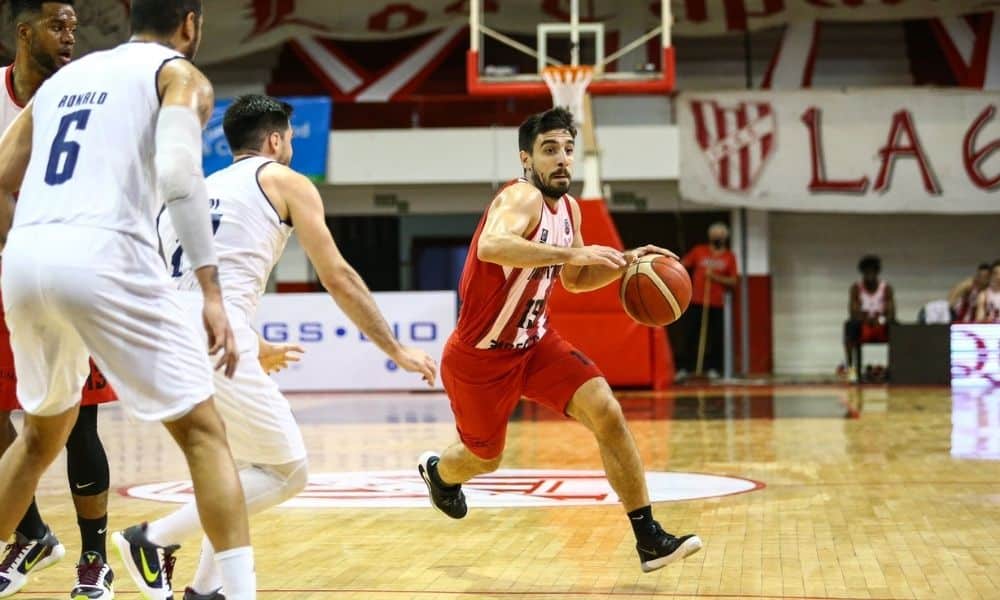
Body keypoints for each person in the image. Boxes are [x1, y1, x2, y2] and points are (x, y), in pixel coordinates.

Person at [0, 1, 258, 598]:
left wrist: (29, 242)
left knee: (40, 437)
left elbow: (4, 171)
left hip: (24, 258)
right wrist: (211, 287)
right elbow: (176, 172)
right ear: (190, 24)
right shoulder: (179, 75)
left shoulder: (70, 77)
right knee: (203, 434)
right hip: (106, 253)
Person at [152, 94, 437, 599]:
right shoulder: (284, 181)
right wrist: (396, 350)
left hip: (164, 339)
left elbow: (186, 286)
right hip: (216, 337)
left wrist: (253, 341)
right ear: (277, 139)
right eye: (286, 142)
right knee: (288, 472)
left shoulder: (192, 191)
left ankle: (203, 590)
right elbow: (338, 276)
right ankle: (154, 537)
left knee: (237, 468)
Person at [417, 106, 701, 574]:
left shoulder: (569, 209)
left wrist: (623, 263)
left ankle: (648, 537)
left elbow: (572, 278)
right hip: (480, 359)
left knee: (607, 412)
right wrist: (573, 251)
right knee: (483, 459)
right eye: (550, 150)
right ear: (526, 159)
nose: (563, 159)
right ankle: (439, 475)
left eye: (568, 149)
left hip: (535, 345)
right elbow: (492, 244)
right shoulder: (520, 198)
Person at [0, 2, 117, 597]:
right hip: (8, 275)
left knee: (77, 422)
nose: (71, 35)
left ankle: (94, 559)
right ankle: (32, 535)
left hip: (70, 274)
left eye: (74, 25)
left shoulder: (86, 95)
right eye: (57, 25)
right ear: (24, 32)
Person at [676, 222, 739, 379]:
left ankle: (714, 368)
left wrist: (715, 277)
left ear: (725, 238)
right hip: (697, 301)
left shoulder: (729, 256)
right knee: (691, 335)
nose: (718, 237)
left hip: (716, 303)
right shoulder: (699, 251)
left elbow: (733, 281)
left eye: (721, 235)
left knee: (715, 337)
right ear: (710, 236)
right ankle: (685, 368)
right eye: (715, 235)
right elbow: (682, 265)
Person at [843, 255, 895, 382]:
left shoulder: (886, 288)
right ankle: (851, 371)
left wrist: (881, 320)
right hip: (863, 325)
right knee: (849, 325)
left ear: (877, 272)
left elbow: (891, 313)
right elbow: (853, 311)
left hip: (881, 325)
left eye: (872, 271)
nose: (869, 275)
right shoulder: (856, 288)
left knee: (897, 327)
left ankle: (893, 371)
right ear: (862, 273)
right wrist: (866, 320)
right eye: (866, 272)